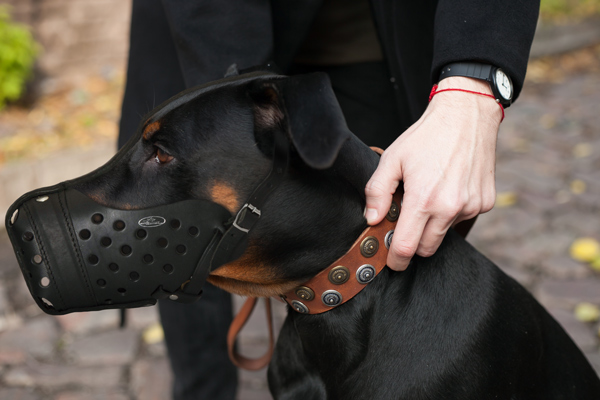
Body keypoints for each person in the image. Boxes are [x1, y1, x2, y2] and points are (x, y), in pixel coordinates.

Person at [118, 0, 539, 398]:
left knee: (389, 253)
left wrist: (473, 89)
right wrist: (236, 101)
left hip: (375, 36)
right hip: (206, 27)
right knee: (182, 230)